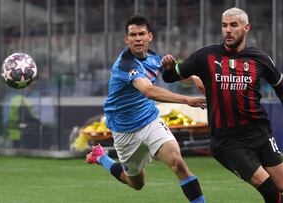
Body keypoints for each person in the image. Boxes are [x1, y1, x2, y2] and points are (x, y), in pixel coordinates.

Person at [161, 7, 283, 203]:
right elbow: (170, 77)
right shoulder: (205, 56)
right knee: (270, 191)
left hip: (259, 132)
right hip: (227, 141)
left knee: (281, 185)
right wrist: (167, 68)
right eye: (224, 25)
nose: (227, 30)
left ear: (246, 28)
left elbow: (281, 88)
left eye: (233, 25)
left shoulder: (260, 58)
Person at [85, 15, 206, 203]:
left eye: (142, 34)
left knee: (178, 164)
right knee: (136, 184)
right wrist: (187, 100)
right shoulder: (125, 64)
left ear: (150, 36)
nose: (138, 38)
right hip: (124, 130)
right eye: (133, 35)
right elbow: (148, 90)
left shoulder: (153, 57)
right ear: (126, 39)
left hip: (150, 121)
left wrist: (194, 78)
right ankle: (101, 157)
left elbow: (172, 72)